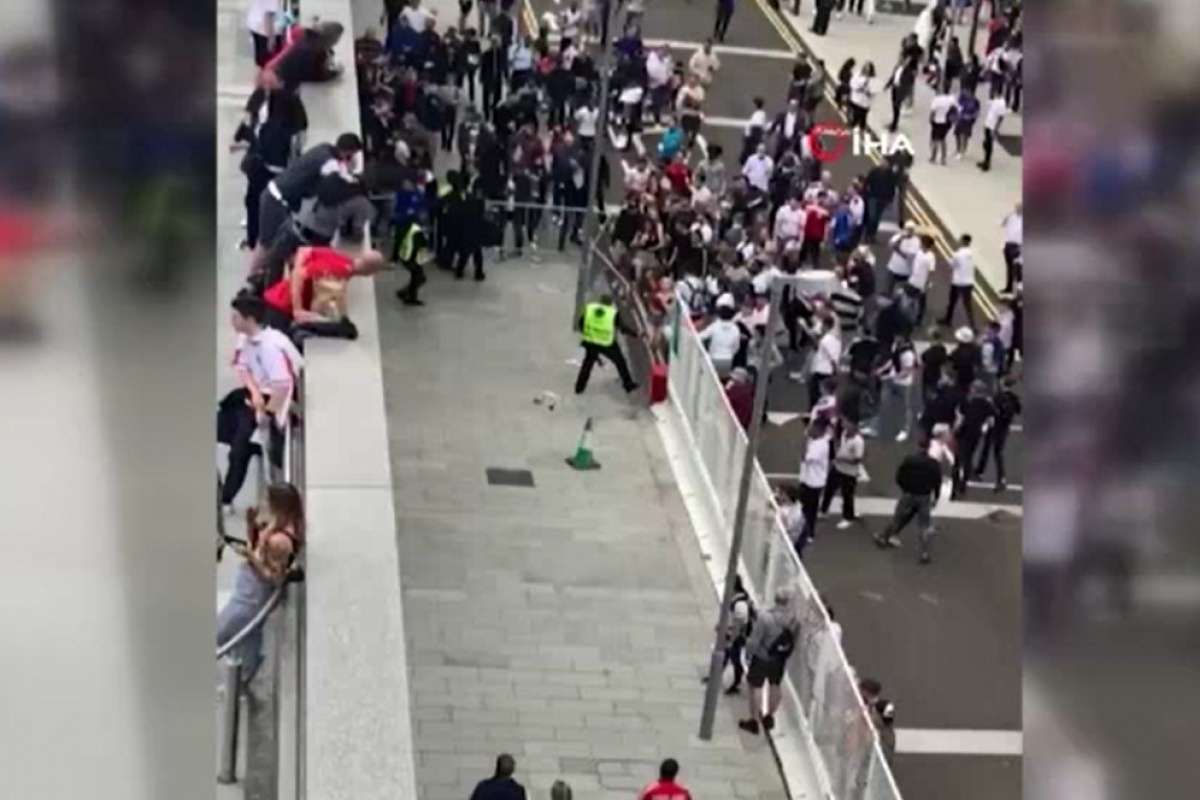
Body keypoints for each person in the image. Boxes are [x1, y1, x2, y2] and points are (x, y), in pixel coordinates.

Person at [218, 294, 304, 510]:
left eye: (236, 317)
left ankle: (226, 498)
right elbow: (242, 366)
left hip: (270, 403)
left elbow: (282, 385)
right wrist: (255, 393)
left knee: (239, 450)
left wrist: (265, 412)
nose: (232, 321)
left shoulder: (270, 347)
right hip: (253, 396)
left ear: (249, 319)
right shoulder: (245, 338)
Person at [217, 482, 304, 680]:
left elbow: (275, 577)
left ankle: (245, 672)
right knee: (249, 638)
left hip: (252, 596)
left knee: (221, 632)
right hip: (249, 589)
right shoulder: (274, 527)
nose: (262, 503)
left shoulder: (280, 541)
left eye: (267, 500)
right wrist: (251, 528)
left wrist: (251, 557)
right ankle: (247, 671)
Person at [251, 134, 364, 275]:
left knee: (280, 246)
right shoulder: (329, 163)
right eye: (353, 155)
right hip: (277, 200)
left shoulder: (324, 148)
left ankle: (261, 281)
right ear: (348, 152)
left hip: (277, 195)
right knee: (267, 245)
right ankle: (251, 281)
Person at [262, 246, 385, 341]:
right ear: (370, 272)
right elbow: (299, 275)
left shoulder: (338, 257)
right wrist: (297, 309)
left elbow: (303, 251)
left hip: (275, 297)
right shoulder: (338, 273)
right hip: (281, 308)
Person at [737, 587, 799, 734]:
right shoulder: (792, 620)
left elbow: (755, 639)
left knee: (755, 687)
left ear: (776, 599)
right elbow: (793, 639)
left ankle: (754, 720)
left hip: (762, 656)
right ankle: (769, 716)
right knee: (775, 685)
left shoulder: (766, 617)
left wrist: (748, 653)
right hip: (779, 659)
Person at [873, 436, 942, 564]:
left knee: (897, 518)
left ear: (918, 445)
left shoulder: (910, 460)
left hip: (909, 494)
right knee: (923, 526)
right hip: (924, 496)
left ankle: (883, 537)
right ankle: (924, 553)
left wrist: (905, 488)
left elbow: (899, 477)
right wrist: (936, 497)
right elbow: (937, 482)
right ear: (928, 448)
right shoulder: (933, 464)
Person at [574, 295, 640, 395]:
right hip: (606, 343)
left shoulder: (591, 309)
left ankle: (579, 388)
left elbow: (581, 324)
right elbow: (622, 328)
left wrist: (588, 334)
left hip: (591, 341)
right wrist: (636, 334)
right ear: (610, 303)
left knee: (587, 364)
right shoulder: (612, 313)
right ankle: (628, 385)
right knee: (620, 361)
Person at [974, 375, 1020, 491]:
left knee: (986, 448)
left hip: (994, 426)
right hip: (1004, 428)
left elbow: (991, 411)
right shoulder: (1014, 397)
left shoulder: (998, 397)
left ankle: (980, 470)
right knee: (998, 453)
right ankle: (1001, 478)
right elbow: (1019, 410)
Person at [952, 379, 994, 499]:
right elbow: (991, 420)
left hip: (963, 432)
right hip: (975, 434)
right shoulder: (987, 404)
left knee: (958, 459)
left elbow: (960, 418)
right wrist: (984, 428)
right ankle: (963, 485)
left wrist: (955, 430)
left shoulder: (967, 402)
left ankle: (955, 484)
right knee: (968, 458)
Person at [796, 417, 833, 547]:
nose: (809, 430)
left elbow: (804, 456)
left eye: (812, 427)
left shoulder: (821, 446)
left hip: (813, 483)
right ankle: (804, 530)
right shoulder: (816, 440)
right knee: (803, 507)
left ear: (819, 430)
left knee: (809, 510)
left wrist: (805, 438)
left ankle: (809, 533)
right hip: (807, 479)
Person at [822, 420, 864, 529]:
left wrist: (842, 458)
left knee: (847, 496)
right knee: (829, 489)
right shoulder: (844, 433)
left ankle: (848, 518)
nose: (844, 425)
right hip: (837, 468)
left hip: (849, 473)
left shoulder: (858, 441)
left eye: (848, 424)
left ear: (855, 427)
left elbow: (857, 460)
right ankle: (823, 510)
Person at [940, 233, 976, 328]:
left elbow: (952, 265)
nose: (958, 241)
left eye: (960, 239)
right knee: (968, 305)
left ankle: (948, 320)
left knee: (952, 302)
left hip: (958, 282)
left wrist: (950, 260)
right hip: (969, 282)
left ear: (963, 241)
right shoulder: (971, 253)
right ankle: (973, 325)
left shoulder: (957, 254)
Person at [454, 181, 487, 281]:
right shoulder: (480, 201)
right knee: (477, 251)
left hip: (467, 227)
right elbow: (481, 214)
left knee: (466, 251)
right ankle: (478, 273)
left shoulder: (468, 198)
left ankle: (460, 271)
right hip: (476, 227)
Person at [394, 218, 430, 306]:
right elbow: (422, 247)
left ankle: (405, 293)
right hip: (411, 258)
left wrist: (394, 258)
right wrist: (422, 260)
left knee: (417, 277)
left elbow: (398, 243)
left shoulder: (405, 229)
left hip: (405, 257)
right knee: (419, 277)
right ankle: (409, 297)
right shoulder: (418, 232)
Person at [908, 234, 936, 326]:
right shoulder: (918, 252)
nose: (920, 244)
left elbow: (931, 271)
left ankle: (918, 320)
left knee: (921, 303)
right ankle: (907, 315)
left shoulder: (931, 256)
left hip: (922, 283)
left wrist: (927, 284)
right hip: (913, 280)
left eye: (922, 242)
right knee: (909, 299)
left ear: (925, 244)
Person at [247, 0, 284, 68]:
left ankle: (261, 74)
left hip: (256, 26)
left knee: (262, 61)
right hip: (266, 31)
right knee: (269, 63)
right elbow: (268, 16)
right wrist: (271, 39)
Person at [977, 94, 1008, 172]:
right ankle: (985, 160)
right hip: (988, 125)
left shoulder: (1002, 103)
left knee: (988, 145)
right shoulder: (995, 100)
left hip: (992, 127)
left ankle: (987, 163)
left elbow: (1001, 118)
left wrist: (995, 130)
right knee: (985, 144)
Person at [928, 84, 958, 165]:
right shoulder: (951, 99)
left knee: (935, 140)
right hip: (947, 122)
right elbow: (956, 108)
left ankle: (933, 157)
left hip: (937, 121)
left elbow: (933, 112)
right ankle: (943, 159)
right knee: (943, 139)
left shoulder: (936, 100)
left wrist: (930, 120)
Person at [1001, 201, 1022, 292]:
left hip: (1018, 246)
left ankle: (1018, 289)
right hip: (1008, 244)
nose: (1017, 209)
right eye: (1016, 207)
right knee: (1009, 267)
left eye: (1019, 207)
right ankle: (1008, 287)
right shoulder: (1011, 217)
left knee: (1017, 268)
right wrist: (1006, 217)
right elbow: (1002, 224)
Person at [847, 62, 876, 130]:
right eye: (865, 68)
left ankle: (860, 128)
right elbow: (852, 83)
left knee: (862, 117)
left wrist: (868, 92)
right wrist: (859, 88)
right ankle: (853, 124)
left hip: (864, 104)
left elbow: (873, 92)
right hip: (855, 99)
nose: (866, 71)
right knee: (854, 115)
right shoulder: (858, 74)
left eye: (868, 70)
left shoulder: (873, 80)